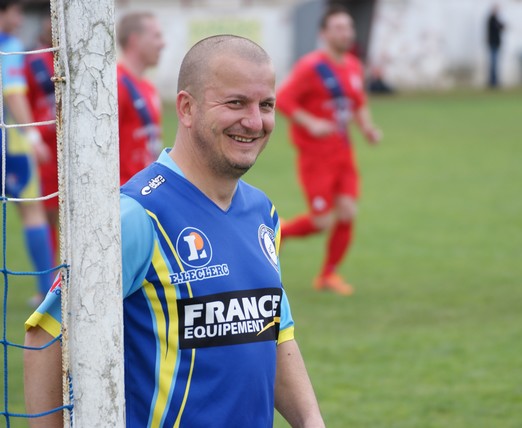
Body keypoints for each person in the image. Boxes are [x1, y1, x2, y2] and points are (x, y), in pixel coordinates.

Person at [24, 35, 325, 427]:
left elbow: (276, 332)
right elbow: (46, 336)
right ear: (186, 108)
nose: (255, 122)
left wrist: (311, 421)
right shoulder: (135, 215)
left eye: (265, 105)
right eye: (235, 103)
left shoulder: (262, 212)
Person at [276, 5, 382, 296]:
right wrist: (310, 122)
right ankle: (280, 233)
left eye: (349, 27)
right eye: (338, 28)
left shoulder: (353, 65)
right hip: (316, 156)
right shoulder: (311, 67)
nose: (346, 33)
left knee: (347, 212)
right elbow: (283, 99)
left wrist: (368, 128)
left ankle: (327, 275)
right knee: (322, 221)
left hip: (343, 152)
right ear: (323, 33)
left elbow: (358, 103)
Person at [0, 0, 54, 305]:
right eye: (16, 12)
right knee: (32, 211)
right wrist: (33, 135)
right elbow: (14, 94)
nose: (20, 19)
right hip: (11, 144)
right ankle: (47, 290)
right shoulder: (9, 46)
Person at [116, 11, 164, 184]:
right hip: (122, 190)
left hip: (144, 188)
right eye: (156, 36)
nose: (163, 43)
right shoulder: (116, 84)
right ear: (135, 40)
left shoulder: (149, 87)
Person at [25, 15, 58, 255]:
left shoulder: (68, 59)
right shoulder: (33, 61)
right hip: (44, 146)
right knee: (48, 209)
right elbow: (24, 101)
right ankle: (52, 267)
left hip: (66, 143)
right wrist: (32, 137)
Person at [486, 4, 505, 88]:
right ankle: (493, 82)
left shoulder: (495, 19)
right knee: (493, 63)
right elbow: (499, 27)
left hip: (495, 44)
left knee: (495, 64)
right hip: (493, 43)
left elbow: (501, 26)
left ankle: (494, 81)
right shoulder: (492, 19)